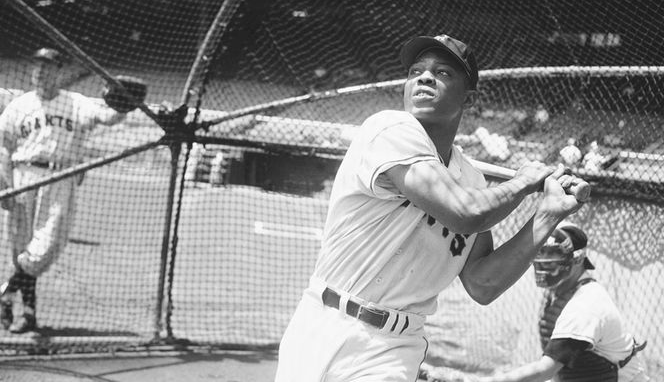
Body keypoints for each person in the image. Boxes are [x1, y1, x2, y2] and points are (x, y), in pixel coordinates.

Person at [274, 34, 586, 382]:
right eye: (415, 71)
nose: (424, 77)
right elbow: (465, 213)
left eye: (443, 73)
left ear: (470, 99)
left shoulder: (472, 180)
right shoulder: (389, 129)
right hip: (324, 323)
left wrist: (549, 213)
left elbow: (483, 283)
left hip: (392, 347)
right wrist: (523, 182)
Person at [0, 47, 128, 333]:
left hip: (59, 177)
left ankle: (6, 289)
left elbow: (108, 118)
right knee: (22, 248)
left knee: (48, 245)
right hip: (23, 176)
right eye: (37, 66)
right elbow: (4, 149)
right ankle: (28, 314)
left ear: (59, 72)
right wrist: (4, 186)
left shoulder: (76, 103)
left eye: (48, 67)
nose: (40, 72)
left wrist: (124, 104)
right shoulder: (19, 105)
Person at [478, 222, 649, 382]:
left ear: (578, 259)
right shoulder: (560, 290)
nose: (544, 261)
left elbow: (545, 370)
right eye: (541, 252)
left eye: (552, 253)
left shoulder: (585, 306)